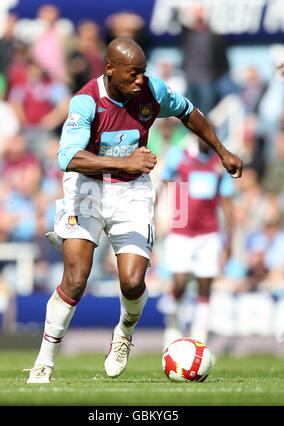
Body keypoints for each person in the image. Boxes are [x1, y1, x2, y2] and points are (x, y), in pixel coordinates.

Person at [25, 37, 242, 383]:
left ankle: (124, 334)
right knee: (77, 279)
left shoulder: (152, 92)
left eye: (143, 72)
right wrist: (125, 159)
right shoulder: (86, 102)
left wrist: (222, 150)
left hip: (132, 191)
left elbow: (190, 113)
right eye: (133, 73)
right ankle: (44, 361)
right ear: (110, 69)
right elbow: (67, 157)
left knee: (132, 280)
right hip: (86, 190)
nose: (140, 79)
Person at [157, 136, 235, 348]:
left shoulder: (220, 163)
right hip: (180, 230)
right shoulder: (178, 155)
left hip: (209, 233)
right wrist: (157, 214)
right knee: (180, 282)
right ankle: (173, 327)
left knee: (205, 285)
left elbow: (227, 202)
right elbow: (164, 184)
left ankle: (200, 336)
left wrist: (230, 241)